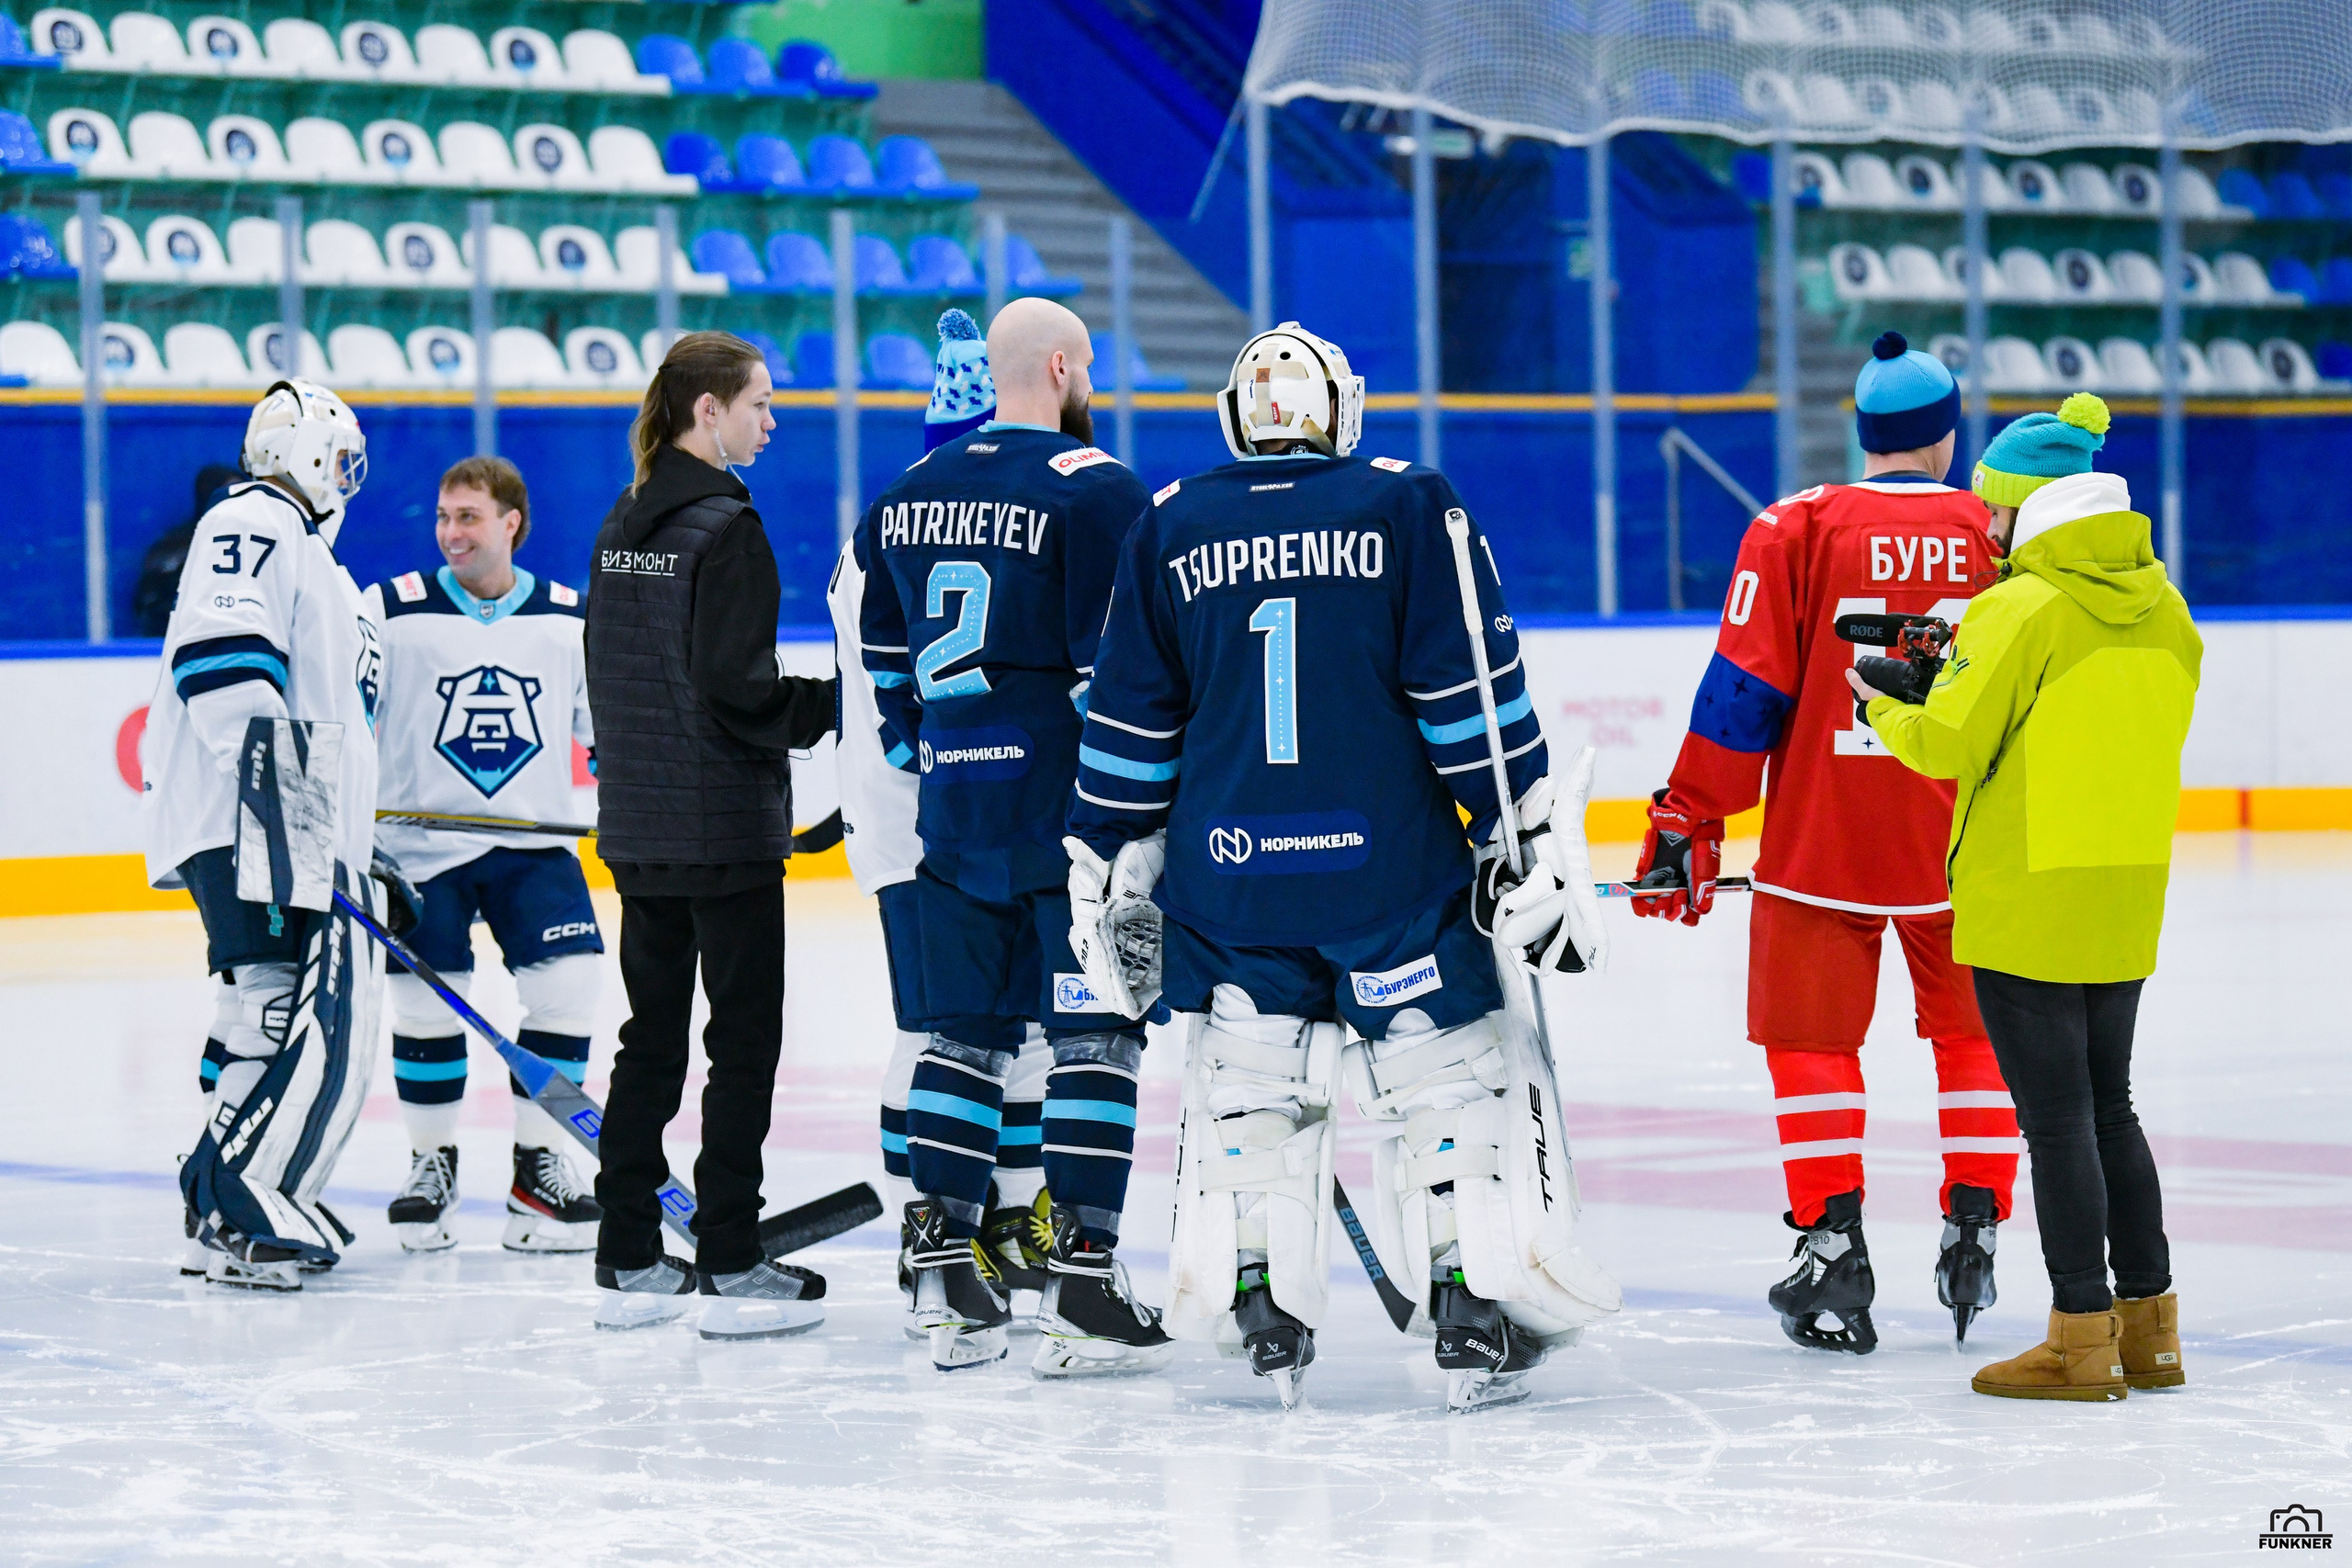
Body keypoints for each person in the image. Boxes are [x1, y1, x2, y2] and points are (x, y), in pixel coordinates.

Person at [1066, 321, 1618, 1413]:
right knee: (1442, 1076)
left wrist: (1107, 866)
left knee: (1249, 1090)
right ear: (1338, 409)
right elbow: (1467, 697)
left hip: (1232, 883)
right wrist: (1520, 836)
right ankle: (1466, 1302)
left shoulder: (1170, 522)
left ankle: (1261, 1307)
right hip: (1387, 877)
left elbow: (1131, 726)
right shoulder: (1406, 503)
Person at [1629, 331, 2019, 1353]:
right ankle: (1974, 1226)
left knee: (1811, 1040)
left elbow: (1743, 691)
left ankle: (1832, 1246)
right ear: (1946, 436)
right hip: (1968, 840)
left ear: (1864, 432)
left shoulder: (1793, 526)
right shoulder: (1999, 531)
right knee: (1978, 1035)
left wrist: (1690, 815)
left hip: (1824, 841)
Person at [1857, 393, 2200, 1401]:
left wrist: (1881, 704)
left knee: (2054, 1124)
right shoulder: (2168, 608)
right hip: (2124, 888)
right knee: (2110, 1109)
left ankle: (2080, 1339)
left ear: (2030, 508)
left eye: (1997, 510)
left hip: (2024, 893)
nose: (1989, 528)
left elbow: (1947, 744)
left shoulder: (2019, 607)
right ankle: (2151, 1332)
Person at [856, 296, 1170, 1377]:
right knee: (1096, 1038)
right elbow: (1114, 675)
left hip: (955, 813)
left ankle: (947, 1277)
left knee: (963, 1039)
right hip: (1068, 819)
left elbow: (883, 663)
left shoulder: (906, 493)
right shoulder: (1097, 488)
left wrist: (932, 747)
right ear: (1062, 367)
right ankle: (1081, 1281)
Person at [582, 332, 836, 1339]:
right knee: (742, 1042)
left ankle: (627, 1251)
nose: (770, 422)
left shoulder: (622, 521)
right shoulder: (727, 527)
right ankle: (730, 1256)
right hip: (723, 833)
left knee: (649, 1040)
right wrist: (835, 707)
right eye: (758, 404)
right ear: (708, 412)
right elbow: (741, 691)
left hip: (641, 829)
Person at [836, 311, 1056, 1335]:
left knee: (1002, 1028)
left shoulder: (890, 520)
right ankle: (931, 1228)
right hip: (936, 819)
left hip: (938, 812)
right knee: (944, 1031)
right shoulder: (944, 522)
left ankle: (995, 1220)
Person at [144, 378, 389, 1291]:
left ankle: (215, 1209)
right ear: (307, 452)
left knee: (257, 1007)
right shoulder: (252, 519)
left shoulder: (310, 553)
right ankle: (232, 1213)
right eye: (341, 459)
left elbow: (331, 718)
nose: (346, 478)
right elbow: (222, 666)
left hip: (276, 813)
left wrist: (352, 841)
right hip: (248, 812)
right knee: (271, 1010)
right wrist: (292, 823)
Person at [364, 456, 604, 1255]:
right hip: (418, 849)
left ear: (512, 522)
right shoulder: (389, 609)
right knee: (427, 1007)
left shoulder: (569, 618)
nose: (450, 532)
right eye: (442, 517)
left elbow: (603, 734)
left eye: (467, 516)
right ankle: (431, 1165)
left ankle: (539, 1172)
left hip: (532, 847)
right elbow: (346, 717)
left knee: (567, 992)